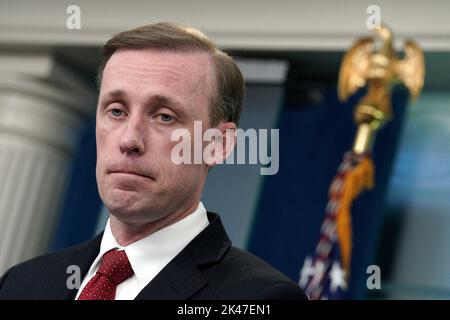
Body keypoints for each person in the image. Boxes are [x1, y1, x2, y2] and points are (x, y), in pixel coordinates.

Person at [0, 22, 307, 300]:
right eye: (116, 111)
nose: (129, 140)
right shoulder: (22, 284)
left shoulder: (259, 298)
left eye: (164, 116)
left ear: (217, 144)